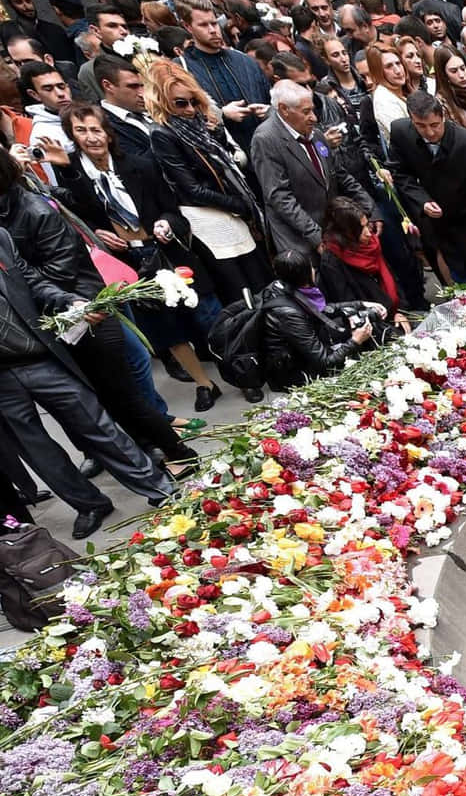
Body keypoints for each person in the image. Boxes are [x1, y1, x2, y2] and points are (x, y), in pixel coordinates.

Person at [0, 225, 172, 539]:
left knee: (94, 422)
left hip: (37, 356)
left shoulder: (1, 239)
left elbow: (32, 282)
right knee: (37, 449)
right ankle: (89, 504)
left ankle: (157, 486)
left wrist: (68, 301)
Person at [56, 103, 224, 411]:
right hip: (130, 263)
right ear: (72, 136)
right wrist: (97, 231)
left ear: (108, 133)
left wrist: (166, 223)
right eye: (81, 131)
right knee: (167, 330)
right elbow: (78, 217)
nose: (91, 137)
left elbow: (173, 210)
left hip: (165, 250)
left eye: (96, 129)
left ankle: (242, 372)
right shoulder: (74, 177)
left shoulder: (140, 165)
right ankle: (204, 383)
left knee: (208, 314)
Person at [145, 59, 269, 309]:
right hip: (206, 219)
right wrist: (239, 205)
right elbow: (191, 189)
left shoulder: (201, 127)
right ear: (163, 101)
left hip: (232, 214)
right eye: (181, 103)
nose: (190, 109)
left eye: (194, 101)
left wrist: (219, 135)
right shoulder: (163, 134)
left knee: (261, 282)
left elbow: (227, 167)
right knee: (240, 295)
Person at [385, 89, 466, 282]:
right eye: (420, 126)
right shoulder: (401, 132)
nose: (429, 132)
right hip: (441, 226)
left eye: (434, 125)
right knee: (461, 281)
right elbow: (400, 173)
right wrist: (422, 201)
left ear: (443, 116)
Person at [252, 78, 374, 253]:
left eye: (313, 110)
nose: (314, 118)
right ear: (284, 110)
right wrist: (317, 237)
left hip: (331, 230)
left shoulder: (315, 134)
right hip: (300, 241)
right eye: (306, 112)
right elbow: (280, 197)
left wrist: (370, 209)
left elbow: (339, 174)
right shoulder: (265, 140)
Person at [257, 247, 382, 387]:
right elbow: (325, 361)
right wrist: (356, 340)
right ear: (306, 274)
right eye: (311, 267)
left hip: (303, 348)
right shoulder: (288, 313)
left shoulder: (287, 286)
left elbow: (321, 310)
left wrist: (360, 304)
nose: (314, 270)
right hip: (294, 371)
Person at [175, 0, 273, 146]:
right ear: (188, 27)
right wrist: (222, 114)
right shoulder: (181, 70)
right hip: (226, 150)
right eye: (203, 25)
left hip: (266, 146)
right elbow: (182, 122)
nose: (212, 30)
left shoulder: (244, 60)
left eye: (214, 23)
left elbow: (268, 98)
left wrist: (268, 111)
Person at [315, 195, 403, 313]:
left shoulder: (370, 244)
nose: (368, 233)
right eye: (360, 229)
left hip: (395, 309)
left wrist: (400, 311)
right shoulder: (332, 260)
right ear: (345, 232)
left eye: (367, 225)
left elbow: (392, 278)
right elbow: (349, 304)